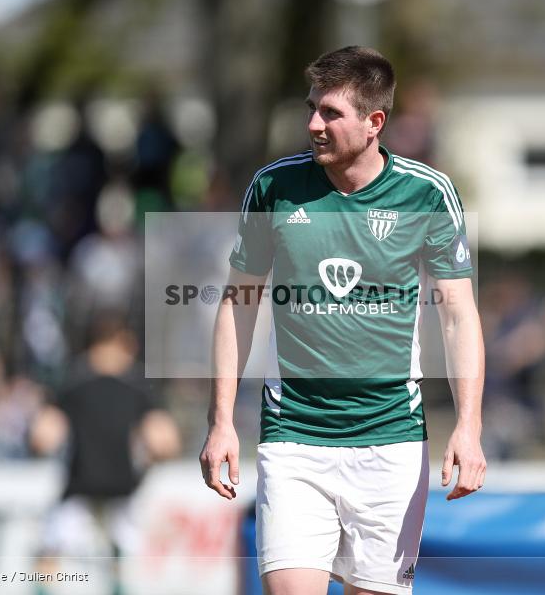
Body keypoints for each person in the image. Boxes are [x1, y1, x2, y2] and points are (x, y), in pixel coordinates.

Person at [199, 46, 485, 595]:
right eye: (311, 109)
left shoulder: (426, 193)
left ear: (375, 122)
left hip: (391, 443)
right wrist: (221, 420)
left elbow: (458, 316)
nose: (313, 124)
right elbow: (238, 305)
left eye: (330, 113)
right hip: (294, 439)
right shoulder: (273, 188)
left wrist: (468, 428)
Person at [31, 315, 180, 595]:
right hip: (124, 488)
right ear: (121, 342)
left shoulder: (70, 384)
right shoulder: (137, 388)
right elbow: (164, 441)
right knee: (119, 563)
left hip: (78, 486)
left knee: (49, 559)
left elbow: (43, 436)